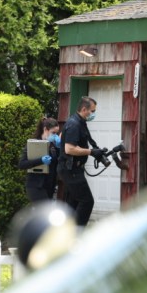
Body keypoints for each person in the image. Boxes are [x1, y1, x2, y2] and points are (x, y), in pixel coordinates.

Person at [58, 96, 106, 227]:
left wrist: (98, 151)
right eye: (92, 111)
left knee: (72, 205)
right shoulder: (74, 124)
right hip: (71, 170)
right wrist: (91, 152)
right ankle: (77, 235)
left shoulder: (80, 122)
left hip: (74, 169)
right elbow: (69, 149)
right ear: (84, 109)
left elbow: (64, 137)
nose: (93, 114)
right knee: (86, 201)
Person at [17, 117, 60, 203]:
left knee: (45, 214)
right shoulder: (33, 144)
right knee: (44, 213)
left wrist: (60, 147)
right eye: (53, 133)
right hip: (36, 186)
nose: (55, 136)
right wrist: (40, 160)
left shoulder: (53, 146)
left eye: (57, 133)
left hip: (49, 186)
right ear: (45, 129)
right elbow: (22, 164)